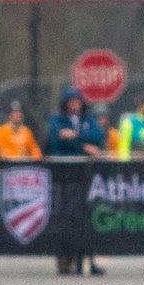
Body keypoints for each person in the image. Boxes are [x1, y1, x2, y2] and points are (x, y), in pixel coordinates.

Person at [46, 87, 105, 275]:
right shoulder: (57, 120)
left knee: (87, 219)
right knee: (65, 219)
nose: (74, 105)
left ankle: (88, 260)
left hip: (85, 177)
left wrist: (77, 137)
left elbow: (99, 136)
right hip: (63, 176)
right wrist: (85, 147)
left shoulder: (88, 121)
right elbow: (59, 139)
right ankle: (64, 260)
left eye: (77, 101)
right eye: (71, 102)